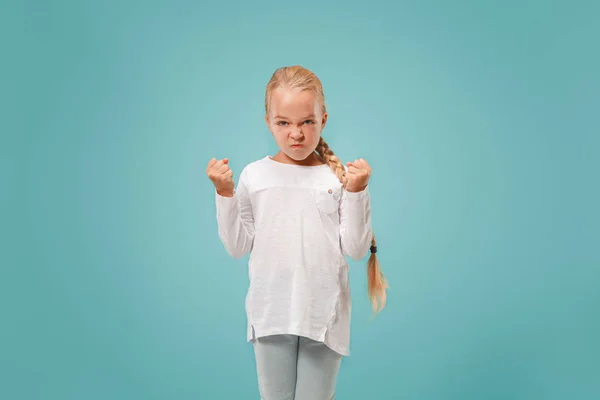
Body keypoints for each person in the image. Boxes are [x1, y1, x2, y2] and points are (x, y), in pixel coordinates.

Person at [206, 65, 388, 400]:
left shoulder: (337, 178)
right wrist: (224, 194)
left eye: (307, 121)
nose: (297, 134)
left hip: (324, 314)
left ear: (324, 120)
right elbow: (236, 246)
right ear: (268, 122)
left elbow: (357, 248)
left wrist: (358, 191)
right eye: (284, 123)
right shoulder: (254, 175)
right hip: (271, 311)